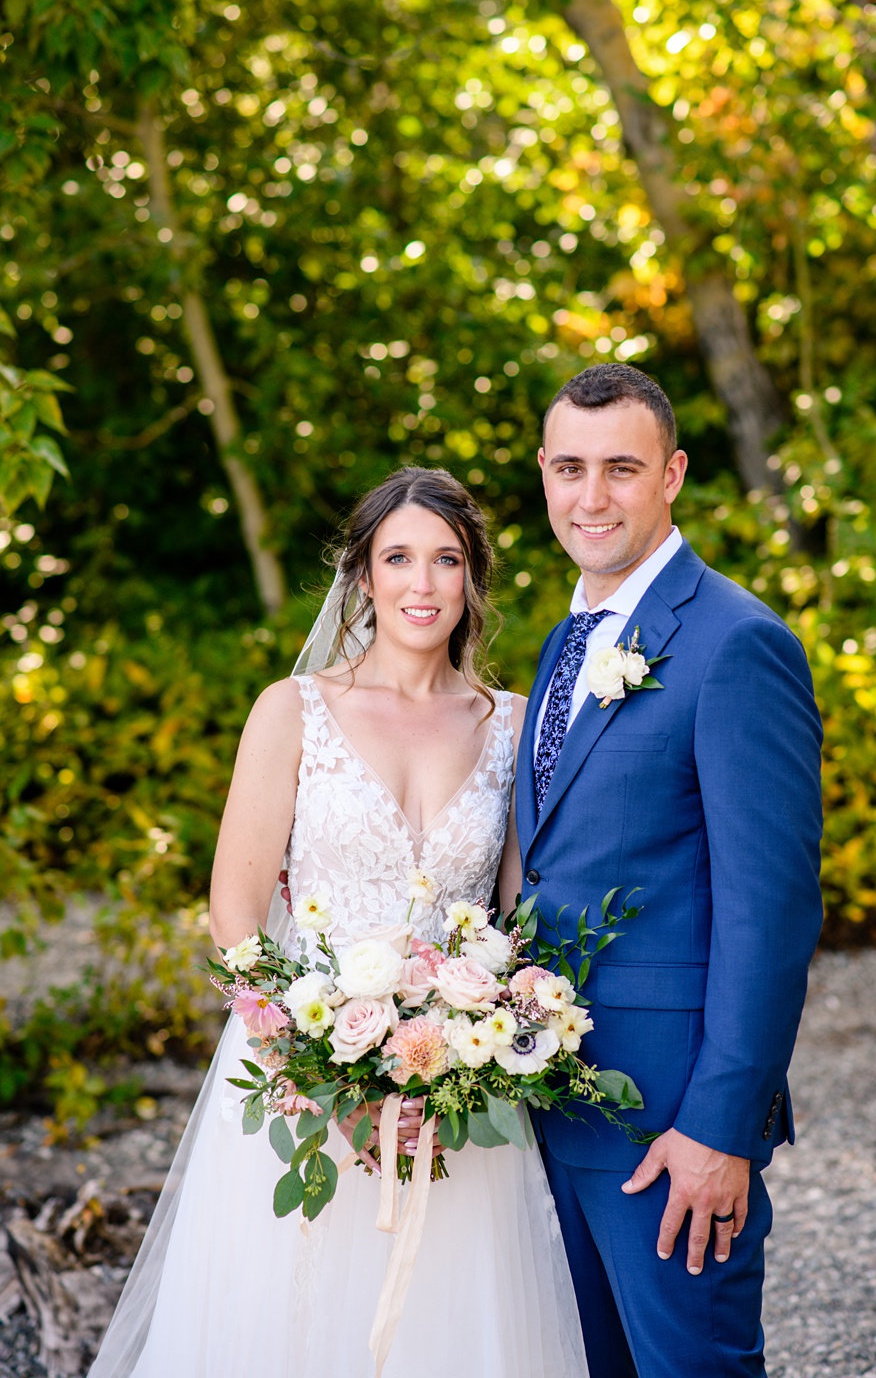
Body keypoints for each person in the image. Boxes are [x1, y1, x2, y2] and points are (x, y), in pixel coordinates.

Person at [88, 466, 588, 1378]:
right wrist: (329, 1081)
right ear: (362, 576)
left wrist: (466, 1048)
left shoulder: (514, 725)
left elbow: (516, 924)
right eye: (398, 558)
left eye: (446, 560)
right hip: (303, 1076)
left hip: (454, 1094)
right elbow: (235, 916)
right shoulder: (293, 713)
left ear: (472, 579)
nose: (423, 584)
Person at [516, 364, 823, 1377]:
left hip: (666, 1127)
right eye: (570, 468)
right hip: (547, 1107)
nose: (591, 496)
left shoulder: (737, 644)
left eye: (620, 468)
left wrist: (718, 1129)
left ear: (674, 474)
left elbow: (770, 914)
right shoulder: (565, 643)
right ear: (545, 476)